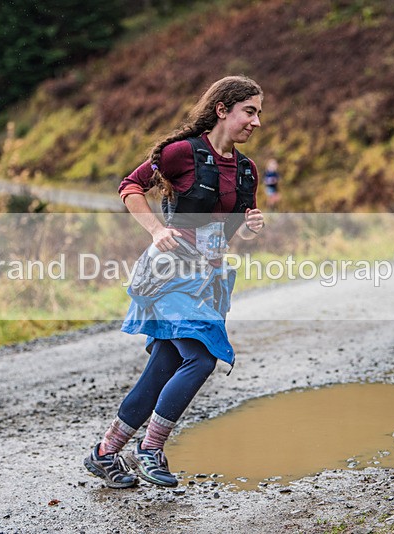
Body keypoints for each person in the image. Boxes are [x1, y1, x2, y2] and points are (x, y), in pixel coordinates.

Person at [84, 76, 265, 489]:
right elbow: (130, 186)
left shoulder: (247, 171)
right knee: (201, 358)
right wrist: (153, 229)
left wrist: (250, 229)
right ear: (223, 109)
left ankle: (105, 452)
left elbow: (229, 230)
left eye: (258, 113)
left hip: (209, 281)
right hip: (169, 275)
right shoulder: (182, 153)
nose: (256, 122)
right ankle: (149, 449)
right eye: (249, 111)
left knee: (166, 363)